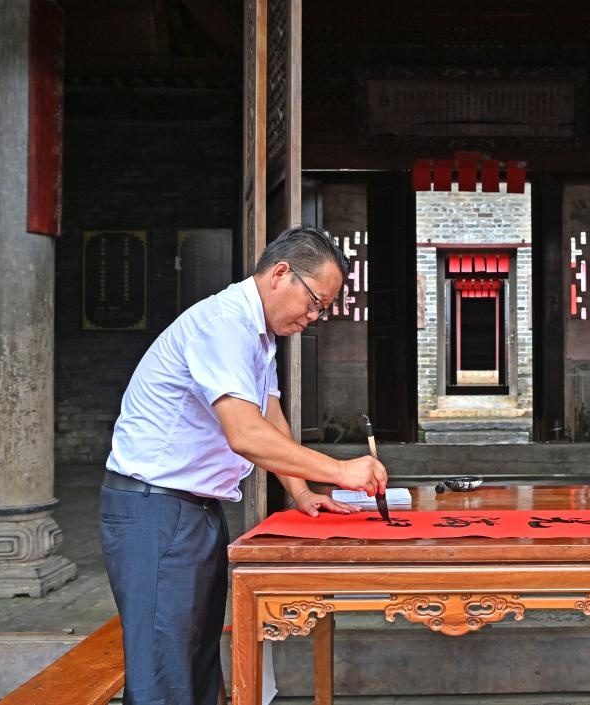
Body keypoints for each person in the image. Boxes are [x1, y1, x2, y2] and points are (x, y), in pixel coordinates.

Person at [100, 225, 388, 705]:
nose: (314, 317)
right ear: (280, 273)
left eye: (322, 309)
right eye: (314, 302)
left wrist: (301, 492)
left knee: (196, 661)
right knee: (164, 674)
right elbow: (245, 433)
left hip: (194, 509)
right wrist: (340, 471)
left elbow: (269, 416)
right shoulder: (224, 324)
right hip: (155, 509)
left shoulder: (258, 335)